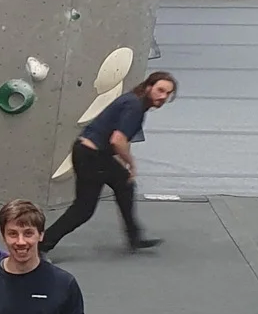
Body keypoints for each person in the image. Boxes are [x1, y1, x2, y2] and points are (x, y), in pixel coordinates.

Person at [41, 71, 177, 254]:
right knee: (83, 209)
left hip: (95, 155)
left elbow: (122, 139)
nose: (163, 97)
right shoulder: (134, 107)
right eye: (160, 90)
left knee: (125, 184)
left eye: (168, 94)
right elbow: (117, 140)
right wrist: (131, 163)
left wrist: (125, 164)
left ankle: (134, 237)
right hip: (90, 157)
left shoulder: (134, 101)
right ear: (148, 86)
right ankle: (41, 245)